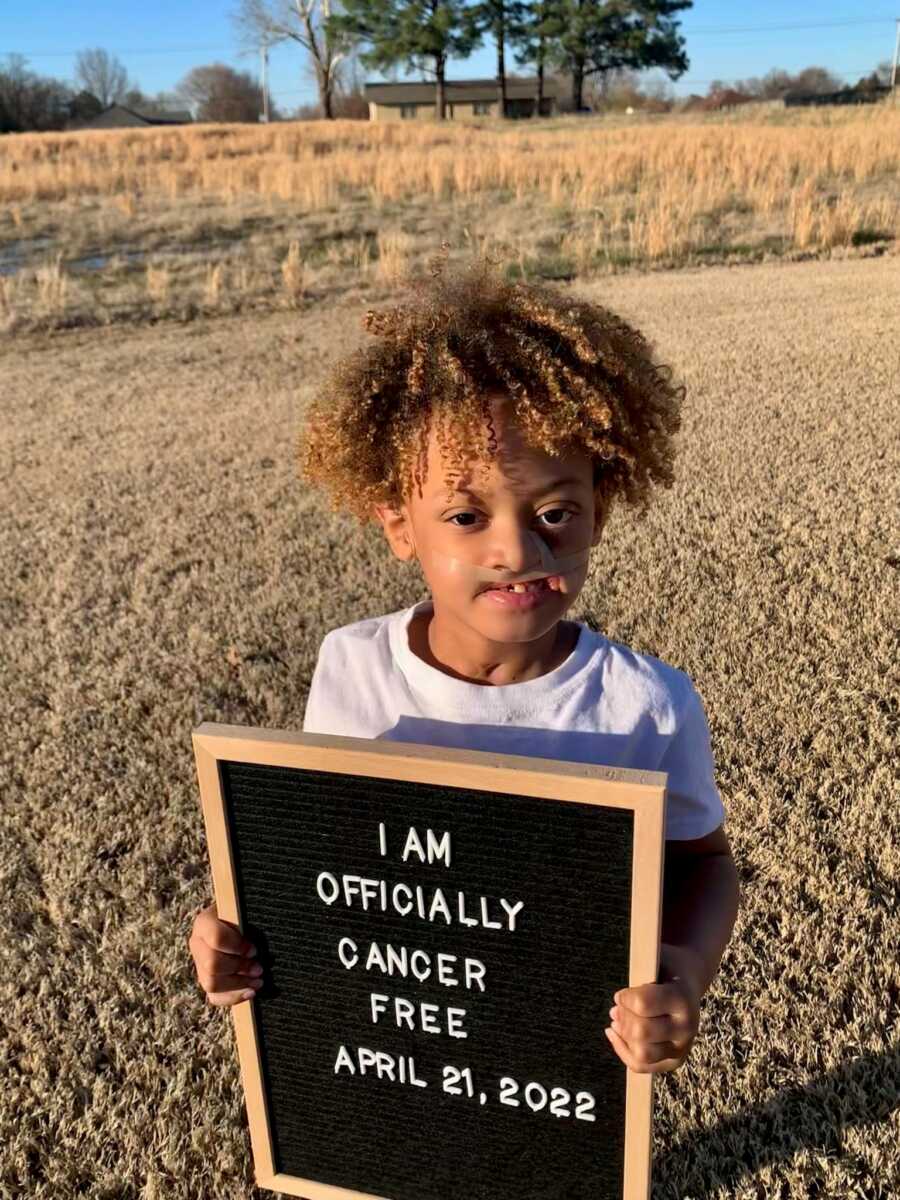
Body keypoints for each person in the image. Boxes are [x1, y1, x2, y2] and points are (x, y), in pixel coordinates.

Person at [188, 245, 741, 1076]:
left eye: (556, 511)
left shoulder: (645, 706)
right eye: (463, 515)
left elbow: (705, 864)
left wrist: (685, 973)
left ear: (600, 513)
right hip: (405, 1069)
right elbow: (326, 869)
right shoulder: (350, 672)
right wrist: (235, 937)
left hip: (558, 1076)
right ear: (398, 525)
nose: (516, 548)